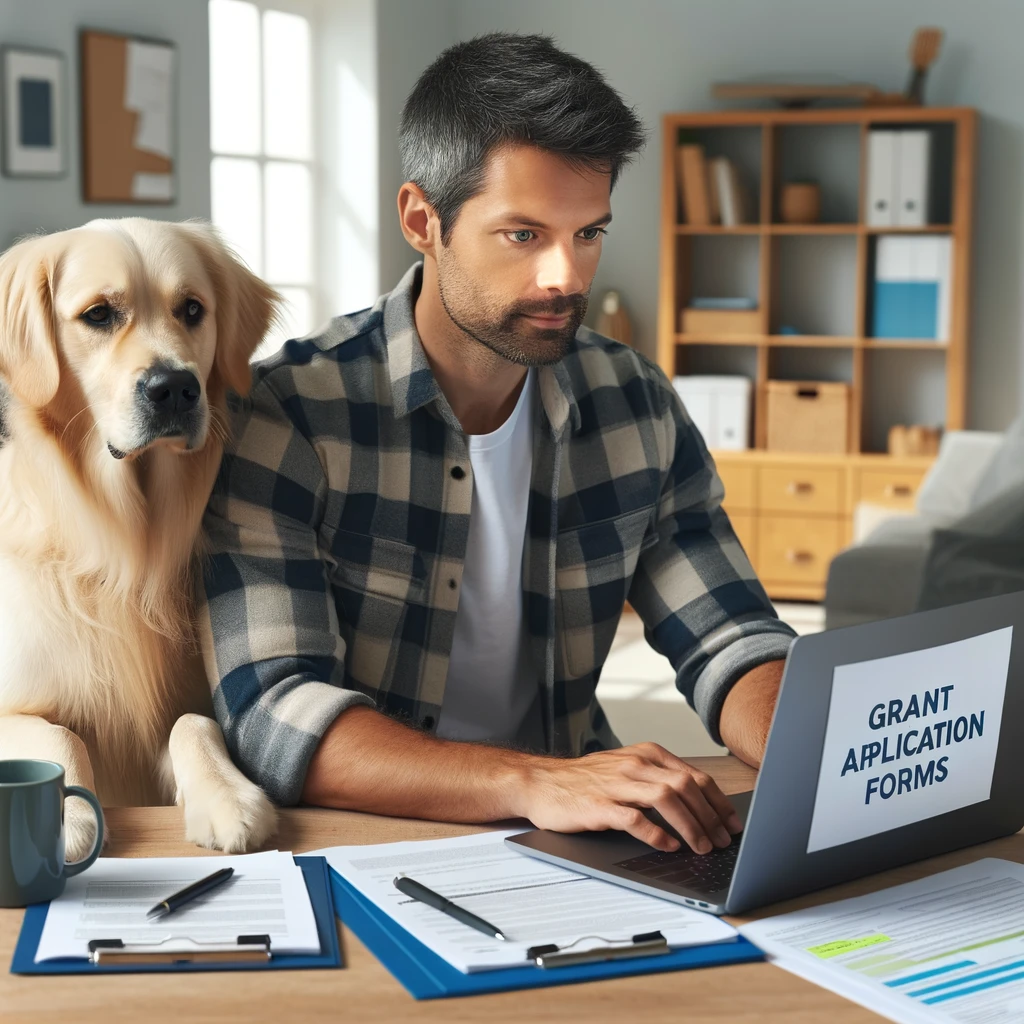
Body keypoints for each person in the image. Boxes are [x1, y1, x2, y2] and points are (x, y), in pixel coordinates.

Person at [201, 33, 796, 856]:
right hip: (372, 839)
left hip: (584, 830)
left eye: (588, 233)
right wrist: (531, 781)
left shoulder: (634, 402)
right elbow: (275, 708)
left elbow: (730, 633)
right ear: (423, 220)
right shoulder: (292, 413)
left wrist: (815, 753)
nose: (567, 277)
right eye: (524, 235)